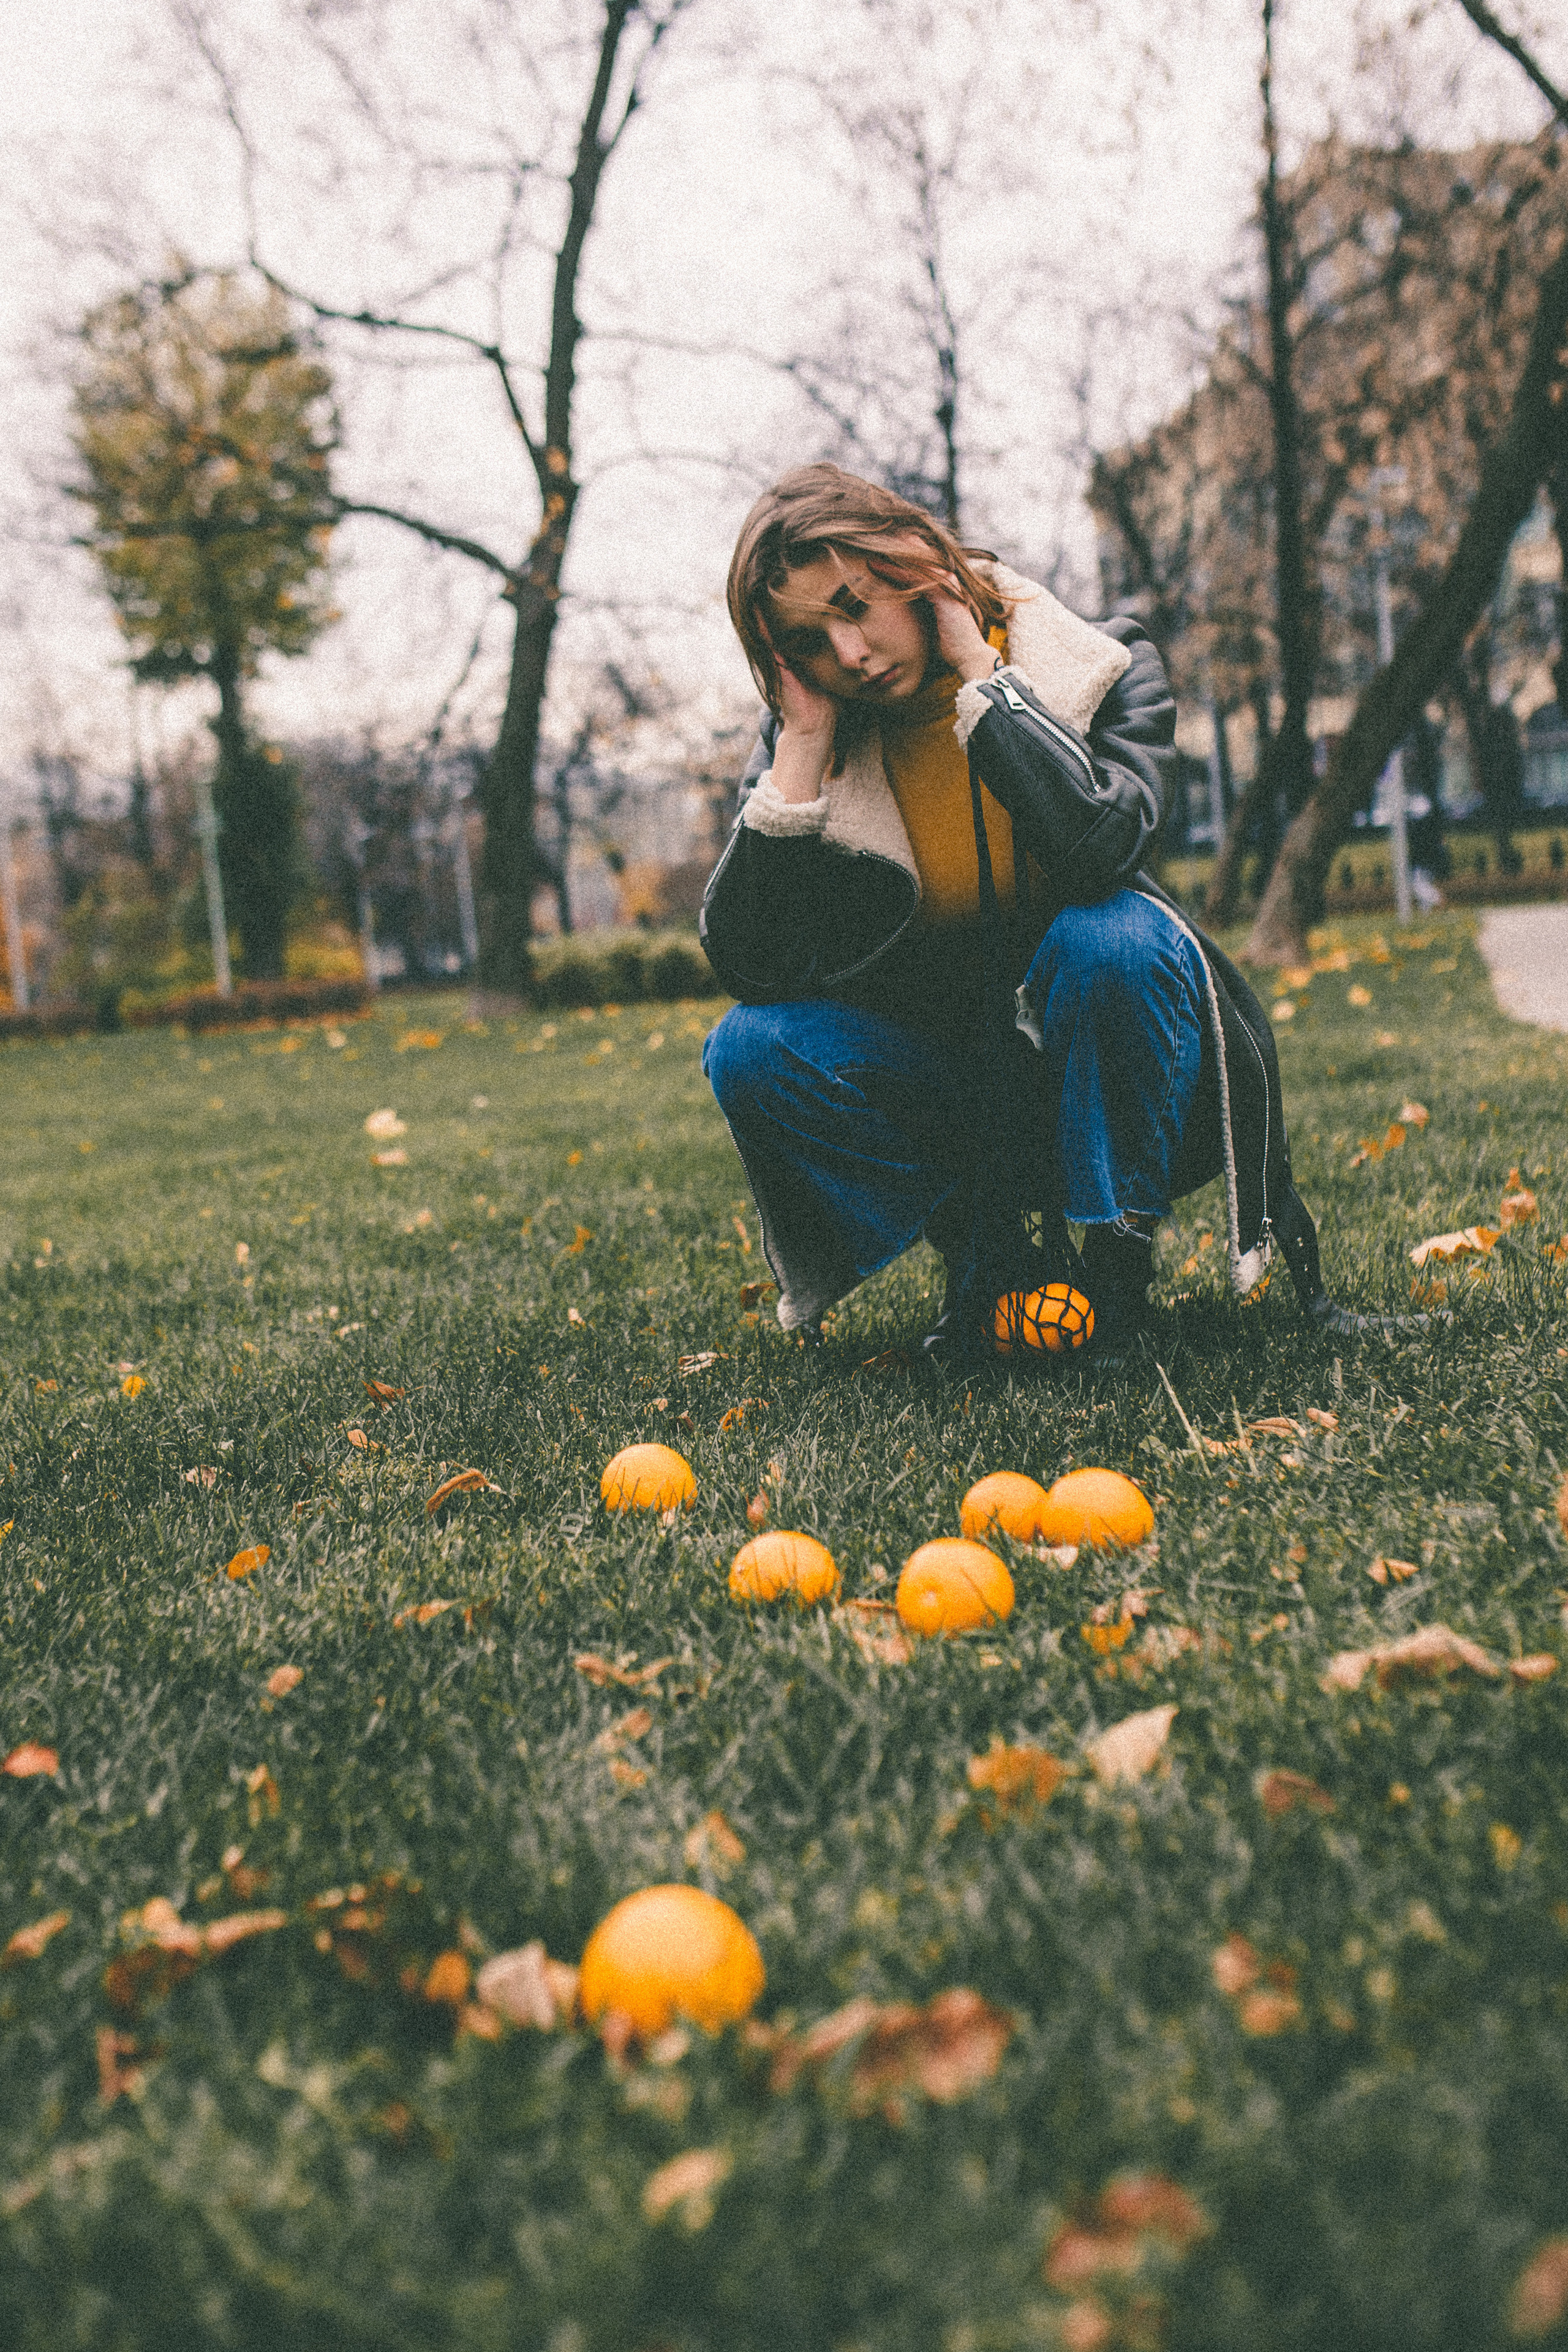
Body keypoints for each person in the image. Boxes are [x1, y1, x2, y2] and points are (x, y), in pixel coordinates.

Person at [698, 463, 1339, 1363]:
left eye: (854, 604)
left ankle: (1116, 1284)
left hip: (1145, 1076)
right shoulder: (816, 740)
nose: (846, 654)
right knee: (748, 1049)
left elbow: (1099, 850)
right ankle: (987, 1260)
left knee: (1107, 935)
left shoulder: (1101, 664)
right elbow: (751, 968)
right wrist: (800, 746)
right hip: (968, 1099)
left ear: (916, 565)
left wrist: (985, 682)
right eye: (807, 640)